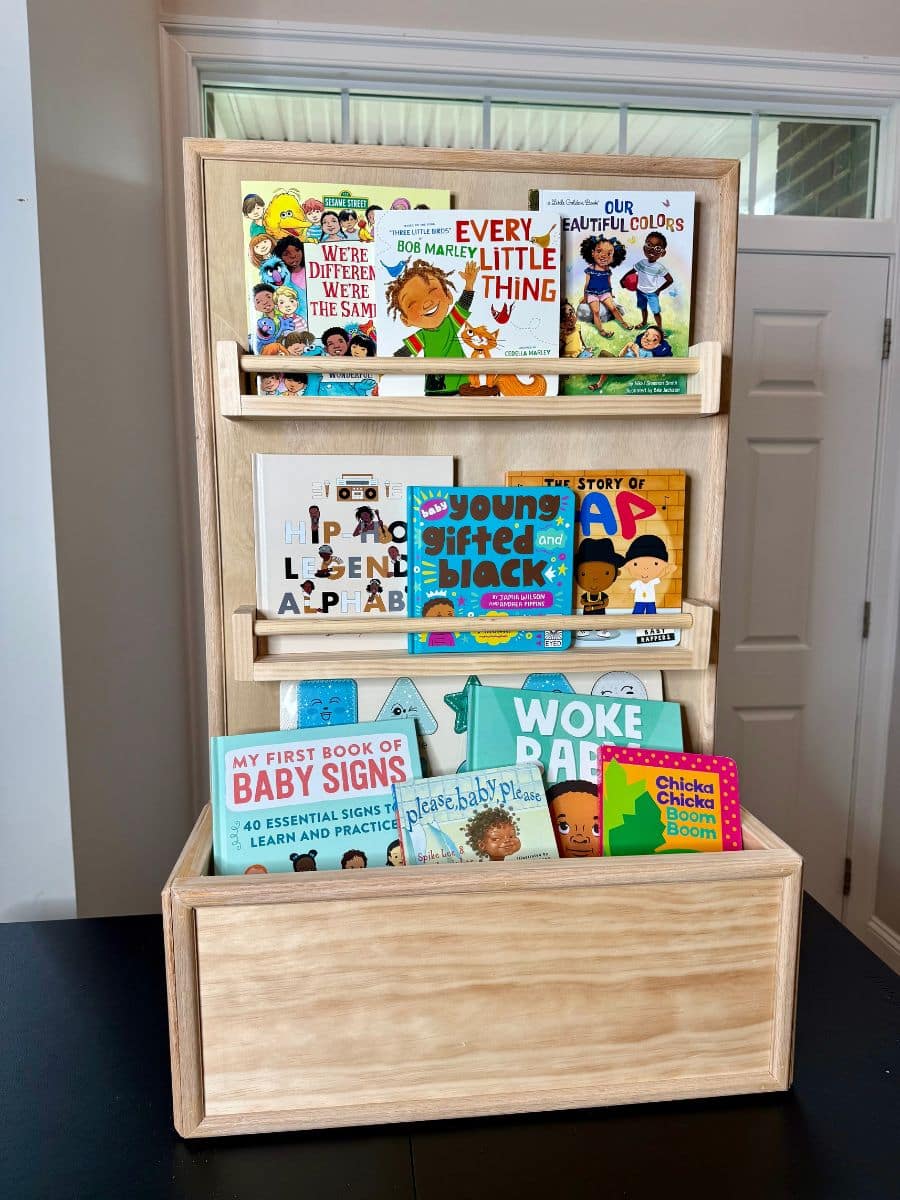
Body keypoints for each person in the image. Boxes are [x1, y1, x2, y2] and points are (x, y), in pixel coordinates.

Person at [386, 258, 478, 396]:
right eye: (412, 304)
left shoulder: (450, 323)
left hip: (463, 385)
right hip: (437, 391)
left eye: (433, 291)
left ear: (448, 296)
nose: (427, 303)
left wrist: (469, 284)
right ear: (405, 320)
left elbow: (463, 305)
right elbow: (404, 353)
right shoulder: (422, 336)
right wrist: (384, 369)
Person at [579, 235, 632, 337]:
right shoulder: (591, 269)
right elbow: (586, 284)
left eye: (609, 254)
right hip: (592, 293)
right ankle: (602, 331)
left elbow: (608, 282)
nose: (603, 256)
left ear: (613, 257)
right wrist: (585, 298)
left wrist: (610, 294)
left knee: (613, 308)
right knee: (596, 311)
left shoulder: (607, 269)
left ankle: (623, 323)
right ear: (593, 253)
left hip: (604, 292)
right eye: (599, 251)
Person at [622, 533, 678, 615]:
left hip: (650, 601)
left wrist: (668, 571)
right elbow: (630, 588)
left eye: (655, 563)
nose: (645, 569)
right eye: (636, 564)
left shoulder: (652, 581)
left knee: (652, 614)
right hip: (639, 601)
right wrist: (624, 596)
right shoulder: (638, 583)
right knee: (637, 613)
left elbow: (661, 576)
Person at [629, 232, 673, 330]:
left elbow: (670, 280)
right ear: (644, 247)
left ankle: (660, 329)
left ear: (663, 253)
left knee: (656, 312)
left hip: (652, 293)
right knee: (643, 308)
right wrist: (623, 280)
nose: (652, 249)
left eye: (657, 248)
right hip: (640, 291)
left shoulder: (659, 267)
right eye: (649, 245)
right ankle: (644, 322)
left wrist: (659, 290)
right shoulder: (641, 263)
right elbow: (632, 271)